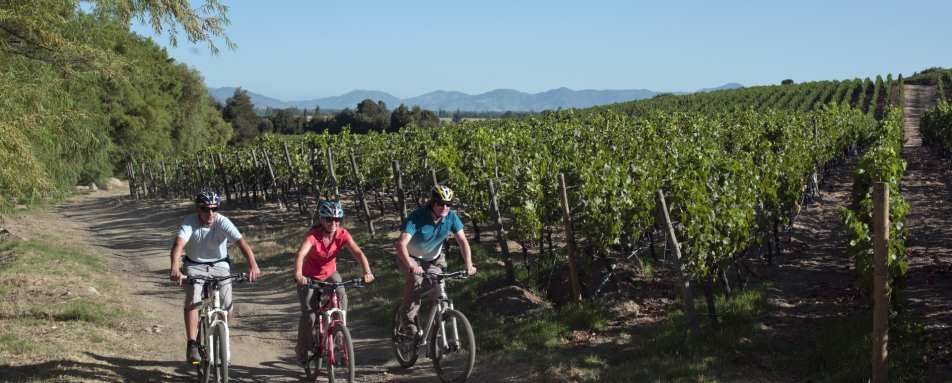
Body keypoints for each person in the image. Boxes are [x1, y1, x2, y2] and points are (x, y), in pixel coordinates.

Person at [169, 191, 261, 365]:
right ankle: (192, 344)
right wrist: (175, 268)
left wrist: (253, 265)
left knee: (227, 304)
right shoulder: (190, 222)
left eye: (214, 208)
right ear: (198, 209)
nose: (210, 213)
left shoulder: (222, 222)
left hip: (220, 264)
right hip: (194, 265)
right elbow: (178, 245)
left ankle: (222, 335)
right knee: (193, 298)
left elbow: (242, 244)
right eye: (205, 209)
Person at [293, 200, 374, 363]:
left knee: (341, 296)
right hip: (309, 277)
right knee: (309, 316)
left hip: (330, 273)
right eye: (329, 219)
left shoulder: (342, 234)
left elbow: (357, 252)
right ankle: (302, 348)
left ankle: (339, 334)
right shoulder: (313, 235)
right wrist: (298, 274)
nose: (334, 223)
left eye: (338, 220)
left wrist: (367, 272)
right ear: (322, 220)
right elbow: (301, 254)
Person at [395, 185, 477, 336]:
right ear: (432, 202)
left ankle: (437, 326)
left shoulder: (451, 216)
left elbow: (463, 242)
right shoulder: (418, 216)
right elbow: (400, 244)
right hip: (410, 256)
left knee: (439, 288)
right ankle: (407, 321)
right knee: (415, 281)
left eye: (448, 204)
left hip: (434, 259)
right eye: (440, 203)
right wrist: (411, 264)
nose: (444, 207)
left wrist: (469, 265)